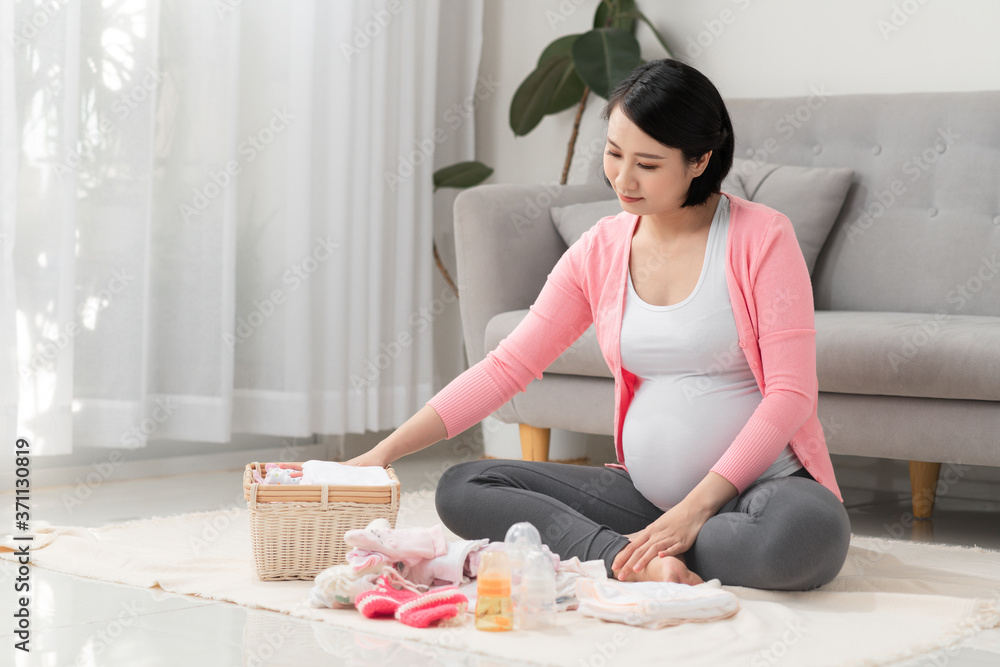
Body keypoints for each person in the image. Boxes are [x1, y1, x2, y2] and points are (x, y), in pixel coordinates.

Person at [347, 58, 851, 591]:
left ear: (700, 160)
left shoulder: (763, 237)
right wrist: (384, 453)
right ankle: (631, 557)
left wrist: (696, 509)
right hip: (641, 500)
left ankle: (637, 546)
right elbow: (506, 368)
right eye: (613, 154)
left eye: (649, 165)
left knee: (802, 538)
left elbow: (791, 394)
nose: (623, 178)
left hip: (758, 493)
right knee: (463, 485)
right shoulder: (602, 248)